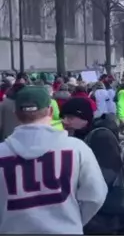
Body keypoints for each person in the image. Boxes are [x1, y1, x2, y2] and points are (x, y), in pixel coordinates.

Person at [0, 86, 107, 233]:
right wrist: (74, 221)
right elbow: (96, 195)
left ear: (16, 114)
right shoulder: (76, 148)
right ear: (50, 111)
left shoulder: (3, 152)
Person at [60, 97, 124, 234]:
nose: (64, 122)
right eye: (63, 117)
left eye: (70, 117)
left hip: (109, 215)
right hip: (100, 213)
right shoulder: (81, 136)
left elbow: (106, 176)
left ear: (84, 118)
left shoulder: (100, 137)